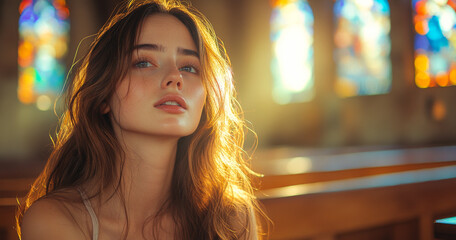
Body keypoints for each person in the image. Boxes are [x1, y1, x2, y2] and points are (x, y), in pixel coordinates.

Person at [16, 0, 267, 239]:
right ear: (103, 95)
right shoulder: (55, 220)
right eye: (144, 62)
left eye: (189, 67)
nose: (175, 78)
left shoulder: (230, 218)